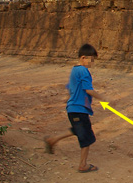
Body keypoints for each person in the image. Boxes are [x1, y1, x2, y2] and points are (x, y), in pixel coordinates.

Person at [44, 44, 107, 173]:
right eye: (91, 59)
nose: (92, 62)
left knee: (78, 130)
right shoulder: (83, 71)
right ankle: (83, 165)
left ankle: (52, 140)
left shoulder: (74, 70)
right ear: (83, 57)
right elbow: (88, 90)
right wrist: (102, 98)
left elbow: (70, 88)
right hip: (79, 109)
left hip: (73, 109)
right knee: (87, 137)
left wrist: (68, 100)